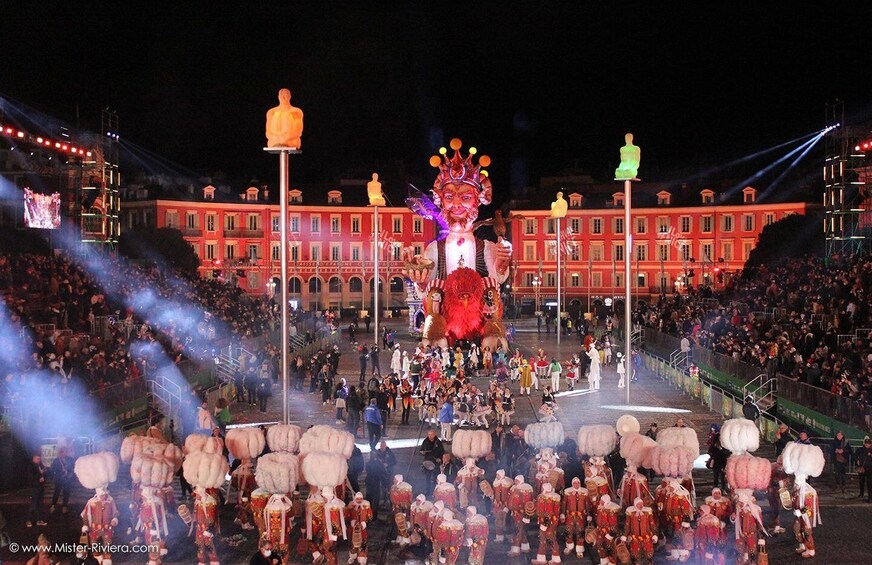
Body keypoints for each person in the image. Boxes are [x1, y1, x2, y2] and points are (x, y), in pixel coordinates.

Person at [49, 447, 75, 515]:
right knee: (56, 493)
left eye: (66, 452)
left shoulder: (70, 459)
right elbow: (53, 469)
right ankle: (53, 505)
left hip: (67, 479)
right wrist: (53, 477)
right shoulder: (56, 460)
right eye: (64, 452)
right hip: (59, 479)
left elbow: (73, 468)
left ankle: (64, 506)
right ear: (61, 452)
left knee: (66, 493)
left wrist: (70, 475)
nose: (65, 453)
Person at [420, 429, 445, 496]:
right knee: (427, 478)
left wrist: (439, 459)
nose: (430, 436)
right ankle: (427, 491)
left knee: (435, 478)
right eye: (429, 435)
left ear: (435, 434)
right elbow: (422, 449)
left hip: (436, 463)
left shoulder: (438, 443)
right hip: (427, 462)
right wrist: (422, 452)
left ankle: (434, 492)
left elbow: (442, 452)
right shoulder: (425, 442)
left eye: (432, 435)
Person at [26, 453, 47, 527]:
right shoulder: (30, 466)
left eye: (39, 459)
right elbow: (31, 477)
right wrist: (39, 475)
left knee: (40, 505)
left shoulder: (40, 466)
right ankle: (29, 520)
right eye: (37, 459)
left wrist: (43, 476)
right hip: (34, 488)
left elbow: (42, 476)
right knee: (33, 504)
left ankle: (39, 520)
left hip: (40, 487)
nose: (39, 460)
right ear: (33, 459)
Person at [856, 436, 872, 502]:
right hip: (862, 467)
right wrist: (857, 460)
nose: (867, 445)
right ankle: (861, 493)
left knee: (870, 483)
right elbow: (855, 455)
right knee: (861, 481)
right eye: (866, 443)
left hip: (870, 469)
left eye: (868, 444)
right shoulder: (860, 449)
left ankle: (870, 497)